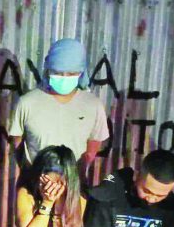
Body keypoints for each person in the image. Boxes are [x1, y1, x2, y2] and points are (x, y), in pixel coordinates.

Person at [7, 38, 109, 183]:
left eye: (71, 73)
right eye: (58, 72)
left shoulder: (93, 105)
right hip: (35, 186)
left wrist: (79, 171)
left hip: (74, 187)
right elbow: (17, 143)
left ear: (81, 72)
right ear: (48, 68)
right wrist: (30, 174)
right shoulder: (27, 102)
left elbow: (94, 142)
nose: (64, 78)